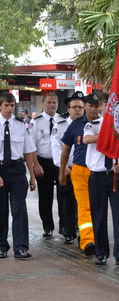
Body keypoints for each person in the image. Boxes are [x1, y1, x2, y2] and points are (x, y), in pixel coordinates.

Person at [82, 93, 119, 266]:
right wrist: (106, 134)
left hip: (114, 176)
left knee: (118, 215)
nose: (101, 108)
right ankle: (101, 252)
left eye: (104, 105)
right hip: (97, 177)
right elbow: (87, 139)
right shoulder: (92, 125)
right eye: (100, 105)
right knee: (99, 215)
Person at [0, 91, 38, 259]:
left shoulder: (21, 125)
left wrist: (32, 175)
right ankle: (1, 246)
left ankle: (21, 247)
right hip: (1, 169)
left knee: (19, 209)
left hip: (17, 170)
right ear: (0, 106)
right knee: (1, 210)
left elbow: (28, 151)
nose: (9, 109)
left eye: (12, 105)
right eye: (6, 105)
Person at [60, 92, 98, 256]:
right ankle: (87, 241)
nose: (91, 109)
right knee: (84, 207)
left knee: (97, 207)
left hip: (98, 172)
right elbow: (66, 150)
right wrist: (62, 171)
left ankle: (98, 238)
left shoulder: (103, 124)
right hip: (79, 171)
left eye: (81, 107)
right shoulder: (75, 126)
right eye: (89, 106)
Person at [28, 92, 60, 237]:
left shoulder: (62, 120)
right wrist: (36, 165)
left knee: (64, 196)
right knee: (45, 197)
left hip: (60, 162)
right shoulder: (36, 122)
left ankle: (65, 226)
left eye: (54, 102)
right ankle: (47, 226)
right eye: (49, 102)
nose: (52, 105)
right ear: (44, 103)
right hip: (43, 162)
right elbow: (31, 146)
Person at [50, 94, 78, 244]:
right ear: (68, 109)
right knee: (67, 201)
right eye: (75, 107)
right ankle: (69, 231)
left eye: (80, 107)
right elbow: (55, 147)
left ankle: (83, 230)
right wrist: (63, 167)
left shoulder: (87, 125)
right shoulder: (60, 126)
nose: (78, 110)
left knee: (84, 202)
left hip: (83, 170)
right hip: (66, 168)